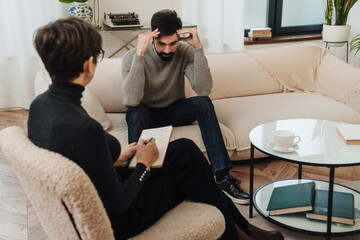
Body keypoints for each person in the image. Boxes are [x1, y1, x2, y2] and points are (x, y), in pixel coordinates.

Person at [28, 17, 283, 240]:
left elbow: (79, 163)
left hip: (96, 195)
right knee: (192, 174)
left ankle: (240, 228)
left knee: (184, 149)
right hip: (119, 219)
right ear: (87, 65)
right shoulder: (85, 129)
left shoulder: (39, 107)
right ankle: (237, 233)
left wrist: (117, 161)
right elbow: (118, 203)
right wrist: (144, 165)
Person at [121, 9, 250, 205]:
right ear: (152, 37)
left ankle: (223, 177)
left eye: (172, 43)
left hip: (174, 110)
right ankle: (139, 179)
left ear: (179, 37)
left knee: (203, 104)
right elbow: (131, 100)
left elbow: (203, 89)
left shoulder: (184, 51)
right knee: (135, 112)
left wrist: (198, 48)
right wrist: (140, 53)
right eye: (161, 44)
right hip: (145, 113)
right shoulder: (132, 57)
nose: (167, 50)